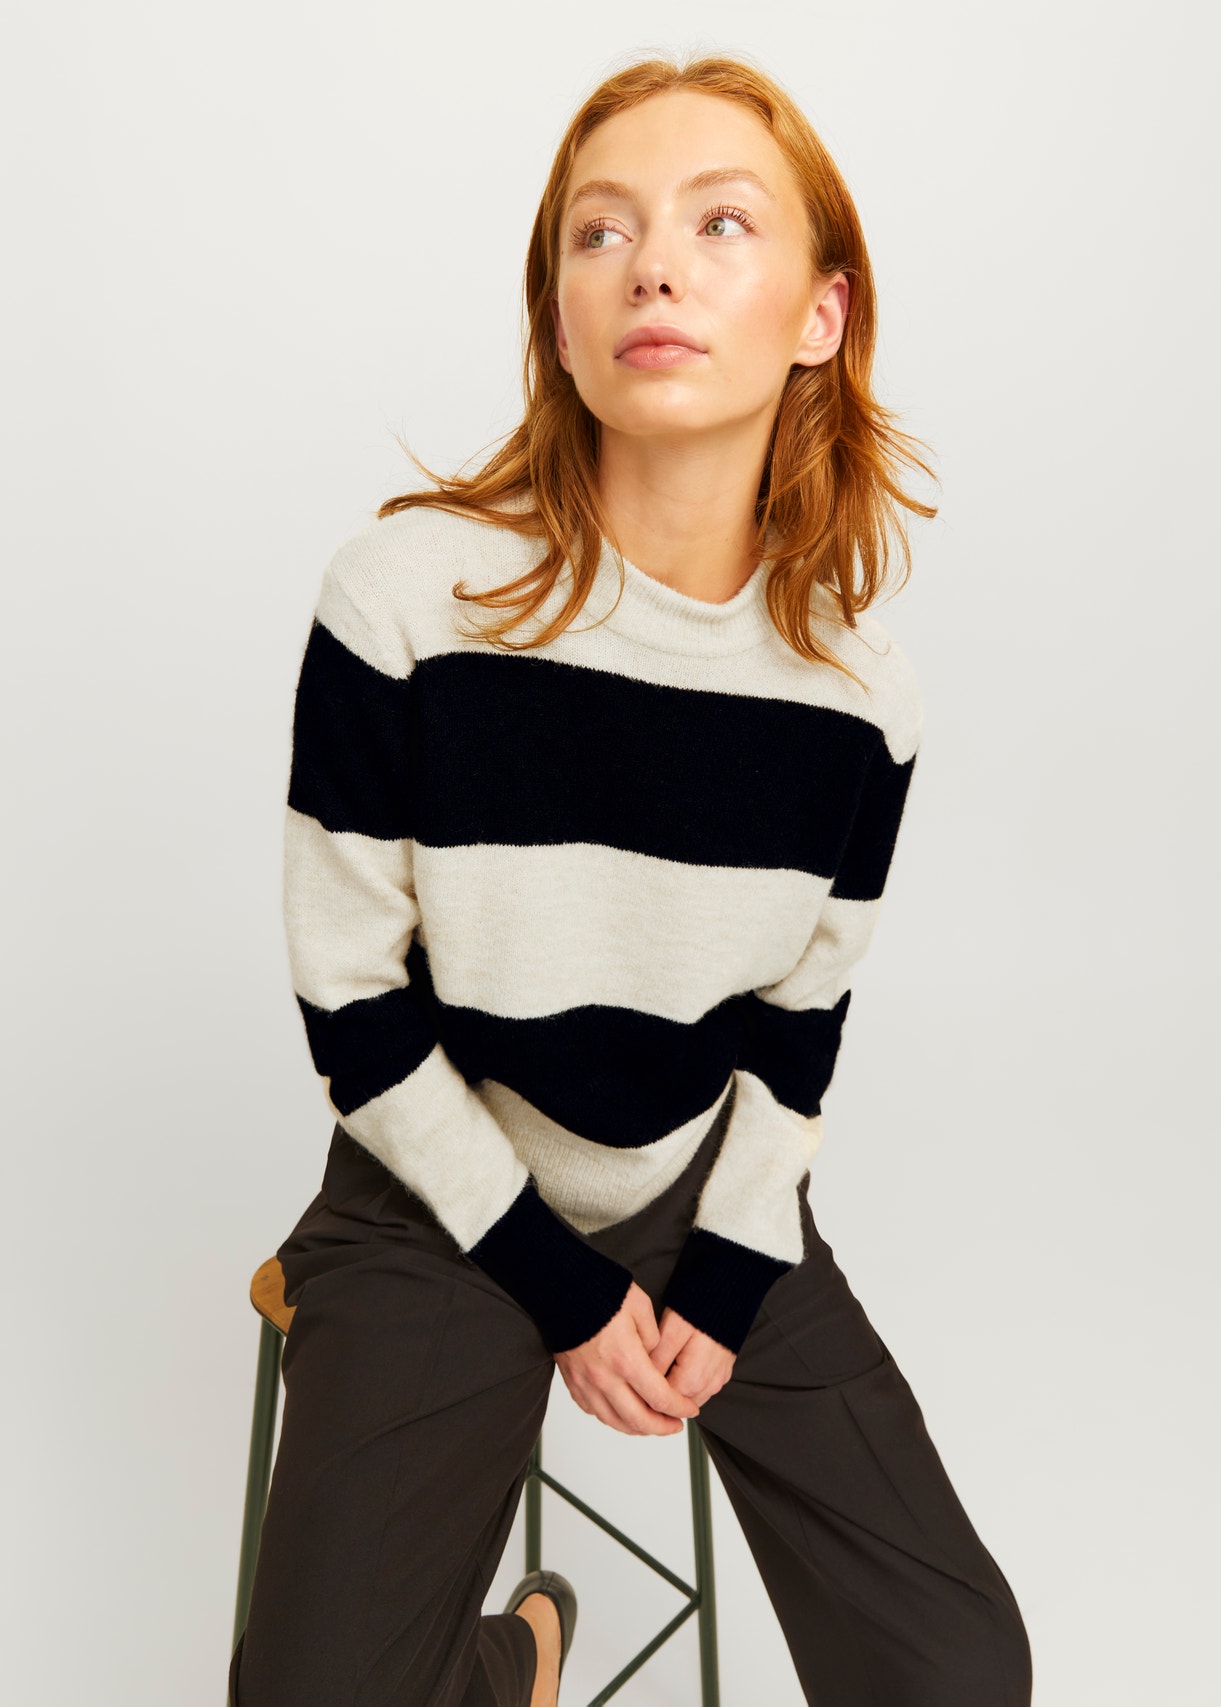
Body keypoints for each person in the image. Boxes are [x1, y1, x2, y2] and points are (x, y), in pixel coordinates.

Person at [229, 51, 1034, 1707]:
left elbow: (797, 1037)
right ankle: (509, 1661)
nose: (652, 266)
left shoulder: (861, 702)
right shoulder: (404, 602)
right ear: (561, 315)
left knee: (958, 1670)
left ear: (820, 315)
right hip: (434, 1191)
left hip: (697, 1187)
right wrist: (562, 1292)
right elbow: (354, 1009)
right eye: (600, 233)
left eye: (719, 223)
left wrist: (722, 1283)